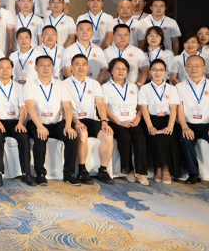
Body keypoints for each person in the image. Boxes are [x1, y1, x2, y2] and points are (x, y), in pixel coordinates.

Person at [24, 55, 79, 185]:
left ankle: (69, 174)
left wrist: (68, 125)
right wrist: (40, 126)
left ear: (52, 68)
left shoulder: (60, 84)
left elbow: (67, 107)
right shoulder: (30, 85)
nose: (46, 68)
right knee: (40, 137)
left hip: (56, 123)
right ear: (36, 68)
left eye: (49, 65)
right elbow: (30, 107)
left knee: (72, 137)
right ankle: (40, 173)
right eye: (42, 65)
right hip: (37, 122)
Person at [62, 54, 114, 185]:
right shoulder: (64, 84)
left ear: (88, 67)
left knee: (108, 135)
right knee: (82, 133)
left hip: (91, 119)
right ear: (71, 67)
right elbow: (66, 107)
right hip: (74, 119)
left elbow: (100, 104)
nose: (81, 67)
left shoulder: (94, 84)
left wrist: (104, 121)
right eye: (77, 64)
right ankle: (82, 170)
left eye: (84, 64)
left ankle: (103, 170)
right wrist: (76, 122)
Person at [177, 55, 209, 189]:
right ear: (186, 69)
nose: (193, 68)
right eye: (190, 66)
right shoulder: (179, 87)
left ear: (204, 68)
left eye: (197, 66)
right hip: (188, 124)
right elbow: (179, 110)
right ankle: (193, 174)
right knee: (184, 140)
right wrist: (184, 127)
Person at [0, 58, 34, 187]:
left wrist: (21, 123)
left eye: (8, 67)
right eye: (2, 68)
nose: (5, 70)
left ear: (12, 70)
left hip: (15, 122)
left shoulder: (19, 87)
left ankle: (26, 173)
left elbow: (23, 108)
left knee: (24, 137)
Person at [103, 58, 148, 186]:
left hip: (133, 120)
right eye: (117, 68)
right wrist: (119, 122)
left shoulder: (133, 86)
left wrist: (137, 119)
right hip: (115, 121)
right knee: (124, 136)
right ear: (111, 71)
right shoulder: (105, 87)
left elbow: (141, 106)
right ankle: (128, 170)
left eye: (124, 69)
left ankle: (141, 172)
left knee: (139, 135)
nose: (121, 71)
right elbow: (104, 109)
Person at [138, 59, 182, 183]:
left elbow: (173, 108)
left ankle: (166, 169)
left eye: (161, 70)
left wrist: (171, 125)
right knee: (154, 136)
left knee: (169, 135)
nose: (158, 73)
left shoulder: (171, 89)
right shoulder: (145, 88)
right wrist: (150, 126)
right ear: (150, 72)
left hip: (168, 120)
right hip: (151, 120)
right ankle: (158, 168)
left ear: (166, 72)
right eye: (155, 70)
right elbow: (144, 109)